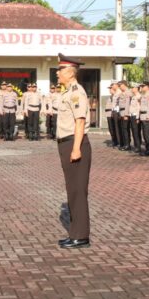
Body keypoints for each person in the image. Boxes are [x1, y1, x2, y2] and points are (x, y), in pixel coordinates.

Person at [55, 54, 92, 249]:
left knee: (77, 191)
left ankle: (81, 236)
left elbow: (80, 121)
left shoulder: (77, 92)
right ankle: (76, 233)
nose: (57, 73)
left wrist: (76, 148)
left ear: (70, 72)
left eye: (60, 70)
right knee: (72, 190)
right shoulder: (67, 92)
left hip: (74, 144)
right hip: (66, 143)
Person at [138, 82, 149, 156]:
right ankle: (147, 149)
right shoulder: (143, 95)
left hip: (146, 116)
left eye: (143, 86)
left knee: (147, 134)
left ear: (147, 87)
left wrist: (148, 115)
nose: (142, 87)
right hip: (142, 115)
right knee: (145, 134)